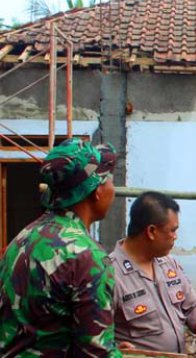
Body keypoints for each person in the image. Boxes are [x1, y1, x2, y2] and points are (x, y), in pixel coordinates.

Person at [0, 138, 120, 356]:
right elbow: (95, 352)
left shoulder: (22, 238)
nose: (114, 189)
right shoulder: (87, 256)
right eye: (110, 181)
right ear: (97, 192)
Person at [111, 192, 196, 353]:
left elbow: (193, 304)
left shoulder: (168, 263)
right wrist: (114, 351)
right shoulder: (111, 274)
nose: (175, 237)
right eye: (172, 231)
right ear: (151, 231)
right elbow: (92, 336)